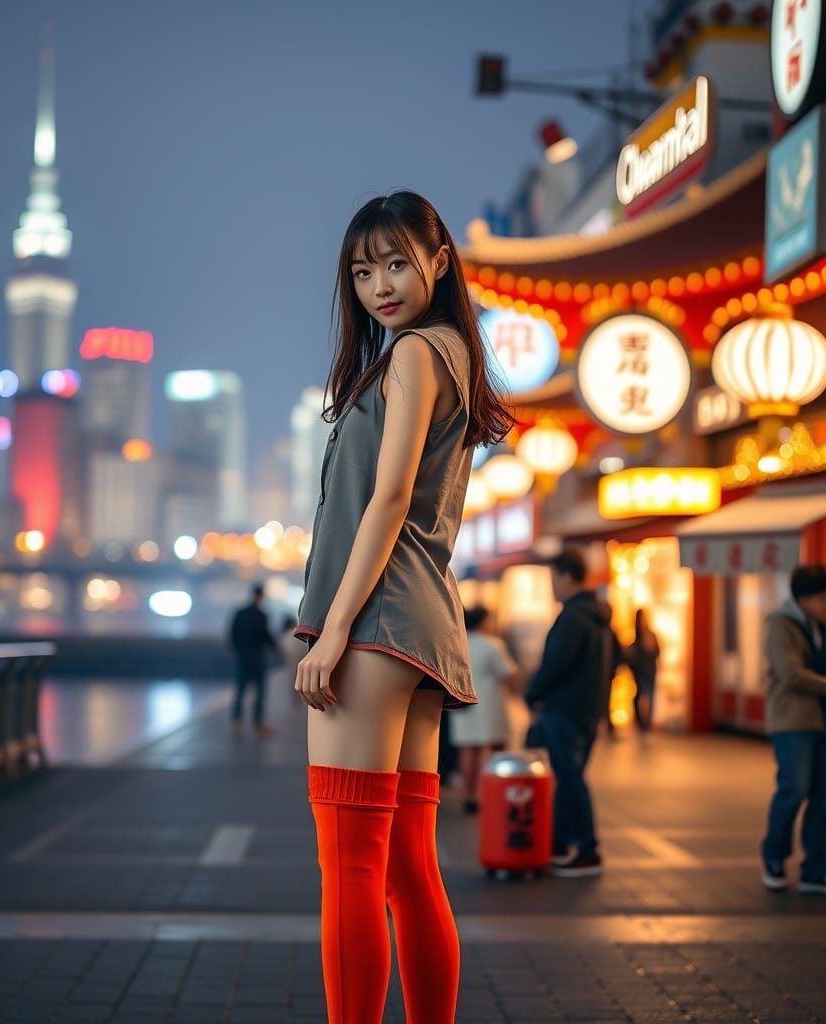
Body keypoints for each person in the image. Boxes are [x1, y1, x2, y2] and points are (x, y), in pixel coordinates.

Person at [292, 191, 512, 1024]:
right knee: (407, 867)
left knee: (351, 865)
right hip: (420, 626)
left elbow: (387, 500)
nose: (379, 285)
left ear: (439, 261)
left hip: (378, 622)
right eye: (361, 271)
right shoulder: (450, 351)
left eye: (395, 263)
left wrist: (333, 631)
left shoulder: (416, 353)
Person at [524, 548, 614, 878]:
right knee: (568, 779)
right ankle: (559, 845)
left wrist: (533, 693)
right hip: (588, 711)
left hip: (564, 710)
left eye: (553, 578)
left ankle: (589, 851)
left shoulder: (573, 618)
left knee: (571, 780)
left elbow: (555, 665)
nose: (551, 586)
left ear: (566, 577)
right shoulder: (598, 617)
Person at [760, 564, 826, 894]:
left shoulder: (817, 626)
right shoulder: (780, 625)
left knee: (823, 795)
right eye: (823, 598)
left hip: (821, 720)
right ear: (805, 598)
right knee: (794, 789)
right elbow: (791, 673)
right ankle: (774, 856)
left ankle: (815, 868)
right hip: (792, 721)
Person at [450, 605, 517, 813]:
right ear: (483, 622)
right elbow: (509, 673)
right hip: (490, 704)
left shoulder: (458, 642)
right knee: (498, 748)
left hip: (463, 703)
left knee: (468, 749)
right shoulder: (492, 644)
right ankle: (500, 793)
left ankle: (468, 795)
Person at [227, 583, 279, 736]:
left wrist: (238, 651)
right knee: (260, 691)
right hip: (258, 657)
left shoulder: (240, 613)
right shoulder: (262, 615)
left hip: (242, 657)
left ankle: (236, 722)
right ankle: (258, 724)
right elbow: (266, 637)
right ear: (261, 596)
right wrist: (278, 648)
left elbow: (232, 635)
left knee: (240, 689)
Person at [626, 608, 660, 732]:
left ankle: (646, 724)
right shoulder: (637, 637)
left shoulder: (650, 635)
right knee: (642, 696)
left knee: (649, 696)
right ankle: (642, 723)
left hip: (650, 671)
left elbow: (658, 652)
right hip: (641, 672)